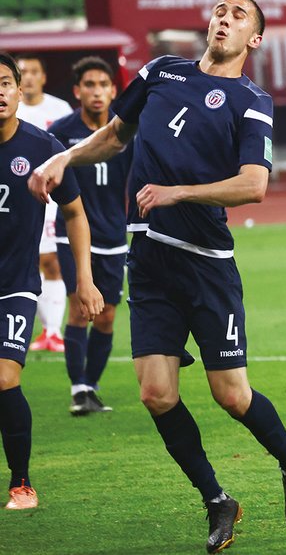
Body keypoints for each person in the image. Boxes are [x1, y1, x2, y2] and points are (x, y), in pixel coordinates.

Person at [29, 0, 286, 552]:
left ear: (254, 39)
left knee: (231, 396)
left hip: (207, 265)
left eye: (239, 15)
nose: (225, 18)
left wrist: (178, 192)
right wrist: (65, 157)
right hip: (151, 263)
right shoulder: (162, 71)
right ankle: (216, 500)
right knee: (156, 394)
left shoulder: (251, 101)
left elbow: (254, 185)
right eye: (220, 10)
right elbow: (116, 133)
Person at [0, 51, 103, 510]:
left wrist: (85, 279)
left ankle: (20, 482)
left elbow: (75, 214)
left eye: (4, 83)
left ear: (20, 91)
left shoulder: (42, 148)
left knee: (4, 377)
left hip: (14, 285)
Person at [49, 57, 133, 416]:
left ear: (113, 90)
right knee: (80, 307)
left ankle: (92, 387)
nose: (96, 92)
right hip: (72, 234)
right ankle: (78, 388)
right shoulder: (62, 132)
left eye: (103, 85)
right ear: (77, 91)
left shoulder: (126, 130)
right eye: (89, 85)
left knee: (107, 316)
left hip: (114, 233)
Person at [14, 55, 73, 353]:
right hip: (15, 197)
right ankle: (40, 331)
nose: (29, 77)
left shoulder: (59, 109)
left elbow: (69, 153)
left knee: (51, 261)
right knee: (27, 261)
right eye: (23, 72)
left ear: (43, 77)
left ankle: (53, 332)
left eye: (34, 71)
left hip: (50, 198)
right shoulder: (12, 108)